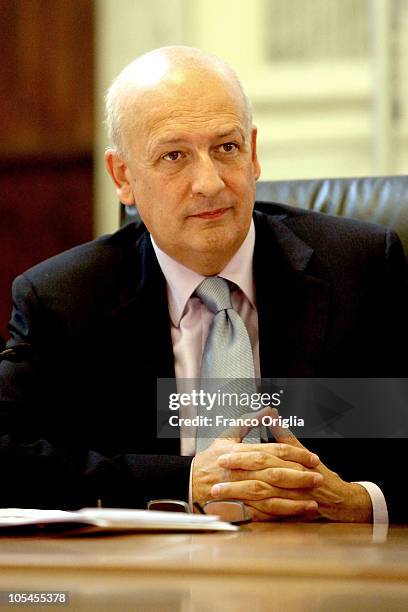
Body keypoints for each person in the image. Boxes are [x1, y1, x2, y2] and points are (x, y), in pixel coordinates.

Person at [1, 46, 407, 523]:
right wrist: (183, 480)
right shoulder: (65, 299)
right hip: (149, 582)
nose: (210, 182)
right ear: (123, 175)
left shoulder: (359, 268)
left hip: (330, 571)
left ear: (253, 154)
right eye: (174, 156)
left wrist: (360, 499)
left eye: (226, 148)